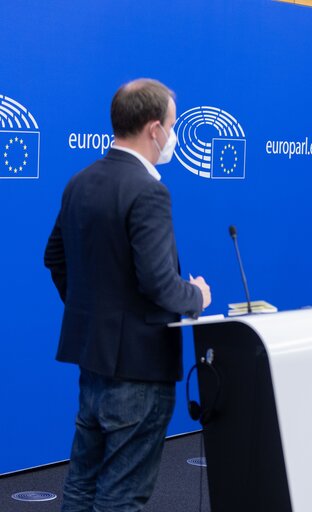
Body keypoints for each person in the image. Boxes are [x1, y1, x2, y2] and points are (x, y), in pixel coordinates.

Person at [44, 78, 212, 512]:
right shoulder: (148, 190)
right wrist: (196, 296)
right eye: (173, 126)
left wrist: (97, 315)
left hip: (93, 359)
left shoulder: (79, 181)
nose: (174, 136)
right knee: (122, 497)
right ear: (155, 129)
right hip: (139, 369)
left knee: (81, 485)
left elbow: (55, 259)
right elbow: (158, 282)